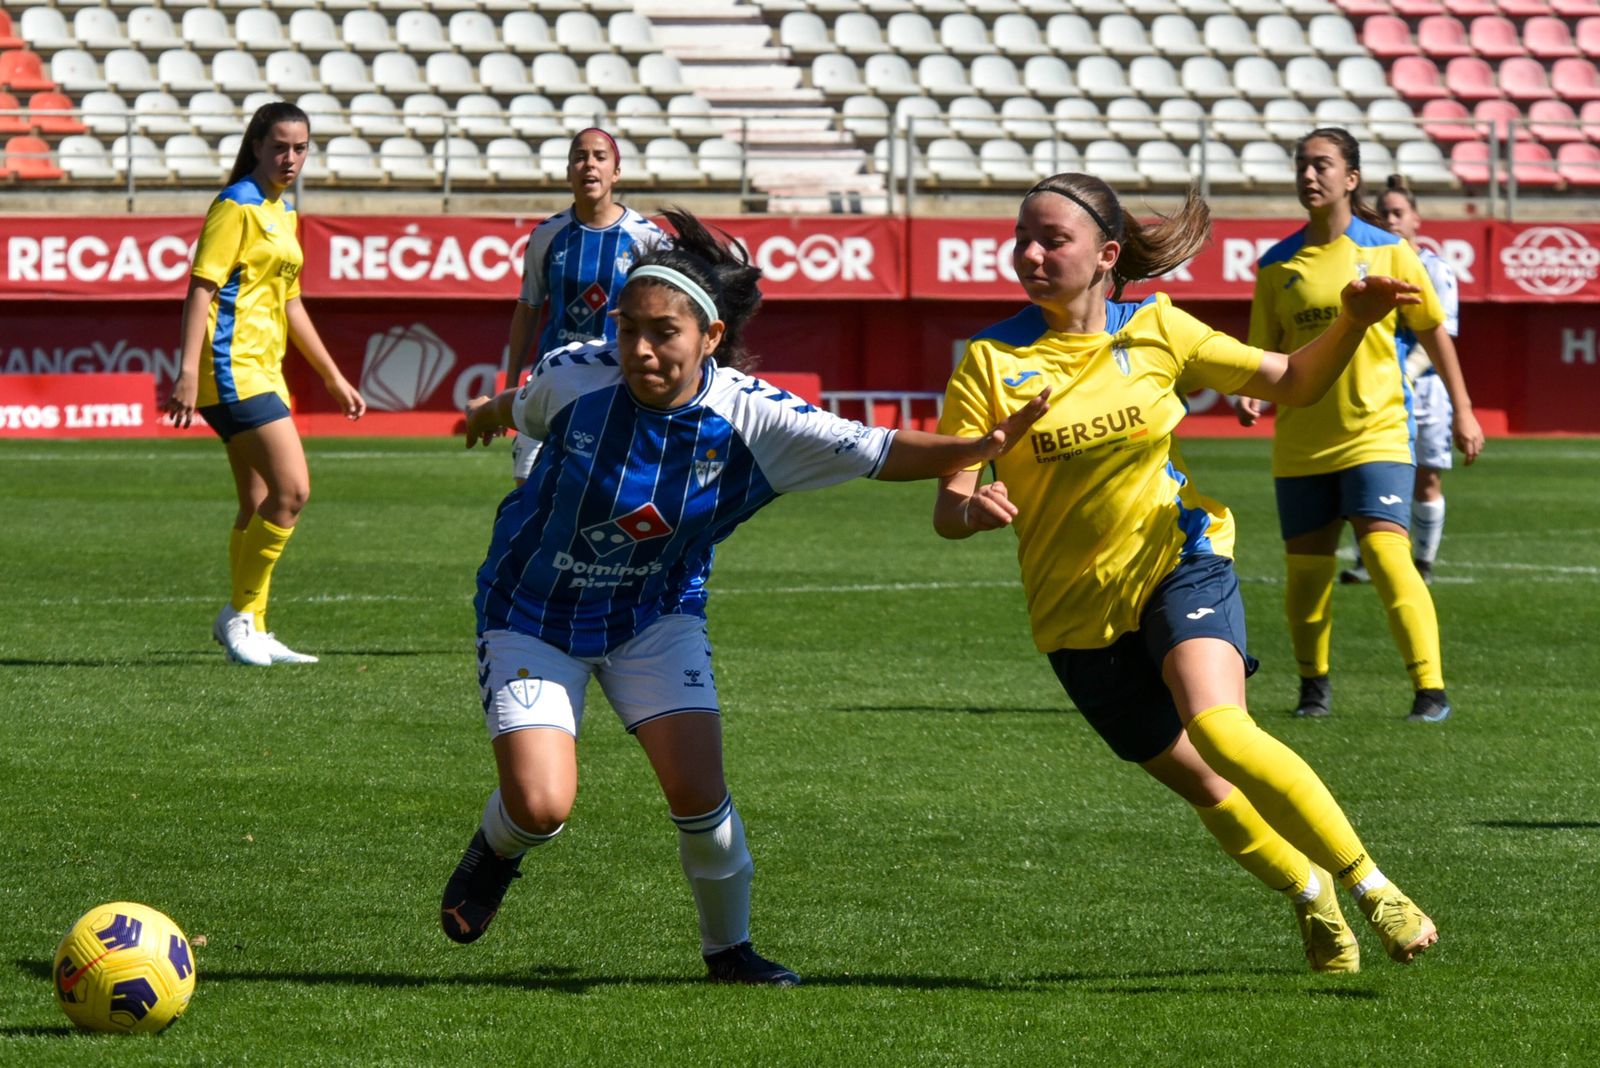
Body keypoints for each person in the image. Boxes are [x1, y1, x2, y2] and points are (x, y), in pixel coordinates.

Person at [440, 210, 1050, 986]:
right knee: (542, 805)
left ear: (712, 338)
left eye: (663, 333)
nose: (640, 349)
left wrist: (978, 449)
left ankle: (729, 953)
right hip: (530, 612)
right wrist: (484, 415)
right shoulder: (574, 372)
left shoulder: (755, 417)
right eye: (629, 329)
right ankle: (497, 851)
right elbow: (522, 404)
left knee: (699, 790)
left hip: (653, 618)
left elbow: (879, 449)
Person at [935, 172, 1439, 973]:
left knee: (1219, 725)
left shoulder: (1160, 327)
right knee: (1205, 786)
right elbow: (948, 507)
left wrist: (1350, 321)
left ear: (1106, 255)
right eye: (1021, 238)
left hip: (1181, 559)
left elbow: (1293, 382)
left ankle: (1374, 885)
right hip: (1072, 612)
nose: (1030, 254)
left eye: (1052, 239)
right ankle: (1311, 893)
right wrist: (978, 507)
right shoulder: (990, 362)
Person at [1240, 128, 1483, 723]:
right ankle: (1313, 689)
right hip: (1300, 444)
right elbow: (1263, 348)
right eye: (1301, 165)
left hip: (1376, 434)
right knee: (1306, 576)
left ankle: (1430, 690)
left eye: (1321, 165)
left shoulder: (1390, 252)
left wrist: (1464, 408)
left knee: (1387, 556)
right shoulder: (1277, 265)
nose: (1308, 176)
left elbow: (1433, 331)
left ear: (1350, 179)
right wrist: (1251, 394)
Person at [163, 101, 365, 667]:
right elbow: (201, 289)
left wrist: (332, 376)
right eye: (280, 146)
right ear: (257, 145)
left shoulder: (284, 211)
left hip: (263, 370)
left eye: (301, 148)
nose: (291, 157)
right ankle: (240, 616)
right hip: (228, 371)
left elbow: (290, 301)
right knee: (292, 491)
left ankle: (253, 624)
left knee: (256, 500)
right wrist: (183, 371)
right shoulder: (236, 206)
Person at [502, 127, 670, 483]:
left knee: (607, 497)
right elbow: (528, 308)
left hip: (618, 386)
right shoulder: (547, 234)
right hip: (550, 381)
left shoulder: (649, 239)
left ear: (616, 172)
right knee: (528, 492)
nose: (589, 164)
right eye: (580, 157)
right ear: (568, 171)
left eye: (599, 157)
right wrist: (512, 381)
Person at [1340, 174, 1462, 586]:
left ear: (1416, 221)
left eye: (1399, 213)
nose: (1391, 220)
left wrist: (1405, 374)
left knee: (1427, 477)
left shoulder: (1435, 269)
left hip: (1425, 392)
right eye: (1385, 213)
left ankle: (1423, 563)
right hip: (1376, 392)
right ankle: (1365, 561)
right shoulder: (1368, 264)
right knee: (1368, 472)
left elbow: (1438, 337)